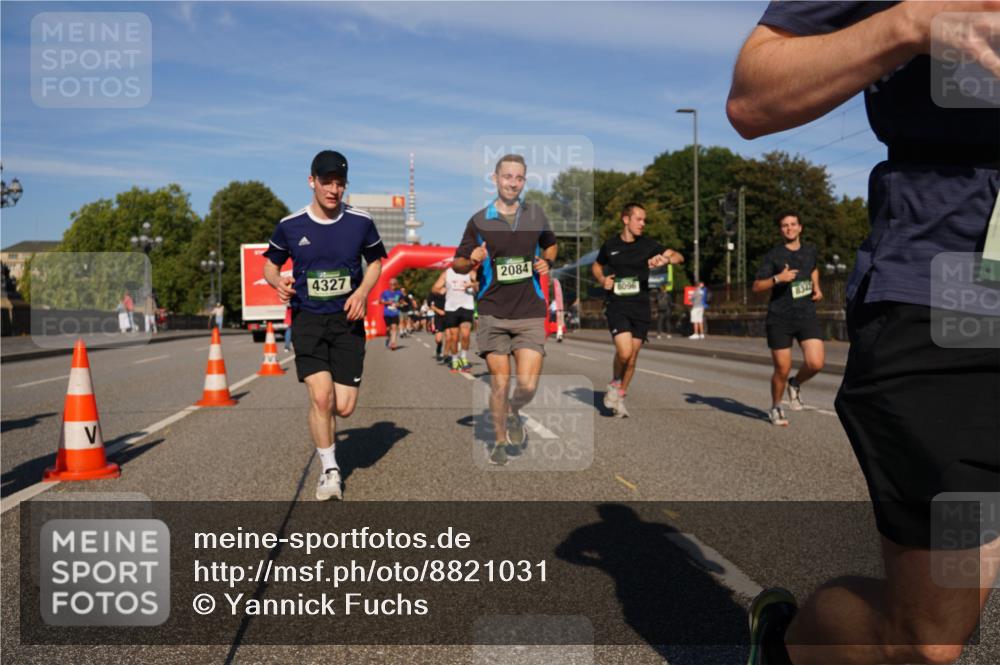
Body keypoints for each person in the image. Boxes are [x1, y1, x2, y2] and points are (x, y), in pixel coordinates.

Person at [728, 3, 1000, 664]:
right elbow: (753, 97)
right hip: (953, 290)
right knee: (928, 638)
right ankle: (787, 645)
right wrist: (911, 23)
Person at [263, 149, 386, 501]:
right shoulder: (291, 225)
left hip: (347, 322)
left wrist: (362, 292)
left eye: (339, 183)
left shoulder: (360, 221)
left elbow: (376, 262)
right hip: (308, 321)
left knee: (343, 407)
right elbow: (270, 266)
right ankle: (330, 469)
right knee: (321, 397)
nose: (333, 190)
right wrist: (278, 282)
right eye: (326, 182)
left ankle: (327, 425)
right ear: (311, 181)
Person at [452, 153, 558, 465]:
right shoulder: (478, 221)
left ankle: (514, 410)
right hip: (493, 312)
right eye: (507, 176)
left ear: (524, 181)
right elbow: (457, 264)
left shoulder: (536, 216)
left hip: (529, 311)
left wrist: (547, 261)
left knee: (527, 385)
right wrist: (471, 259)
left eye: (519, 178)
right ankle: (499, 441)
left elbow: (551, 244)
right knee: (500, 382)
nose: (513, 183)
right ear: (496, 179)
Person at [592, 202, 684, 418]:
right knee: (624, 352)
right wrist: (602, 279)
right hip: (617, 305)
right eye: (639, 219)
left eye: (644, 220)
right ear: (626, 220)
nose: (643, 224)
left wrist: (666, 259)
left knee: (632, 358)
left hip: (641, 306)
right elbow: (596, 266)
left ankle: (620, 396)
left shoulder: (648, 245)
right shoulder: (610, 245)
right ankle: (615, 383)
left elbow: (679, 257)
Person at [752, 212, 824, 427]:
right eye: (785, 225)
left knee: (816, 363)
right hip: (780, 318)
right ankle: (776, 406)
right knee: (782, 369)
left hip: (806, 314)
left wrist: (817, 287)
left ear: (800, 227)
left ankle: (796, 383)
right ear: (780, 230)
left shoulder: (810, 251)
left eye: (793, 224)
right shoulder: (773, 256)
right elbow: (757, 286)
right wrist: (778, 278)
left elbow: (813, 268)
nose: (789, 228)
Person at [433, 266, 477, 372]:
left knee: (466, 335)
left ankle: (463, 358)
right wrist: (439, 290)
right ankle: (455, 360)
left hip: (467, 306)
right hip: (451, 308)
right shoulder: (447, 273)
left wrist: (471, 284)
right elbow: (435, 288)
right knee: (454, 337)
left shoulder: (470, 272)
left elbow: (481, 284)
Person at [378, 278, 403, 350]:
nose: (393, 285)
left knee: (394, 328)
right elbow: (380, 301)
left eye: (394, 284)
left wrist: (399, 304)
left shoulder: (399, 293)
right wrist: (387, 302)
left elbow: (402, 301)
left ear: (396, 285)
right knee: (388, 329)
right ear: (389, 285)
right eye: (391, 284)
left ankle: (393, 343)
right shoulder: (385, 293)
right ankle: (388, 338)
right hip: (387, 313)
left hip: (395, 313)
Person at [429, 285, 447, 362]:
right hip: (439, 317)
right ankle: (439, 349)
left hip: (450, 316)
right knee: (438, 339)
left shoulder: (451, 290)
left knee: (450, 337)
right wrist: (439, 311)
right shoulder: (434, 292)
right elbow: (431, 305)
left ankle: (446, 355)